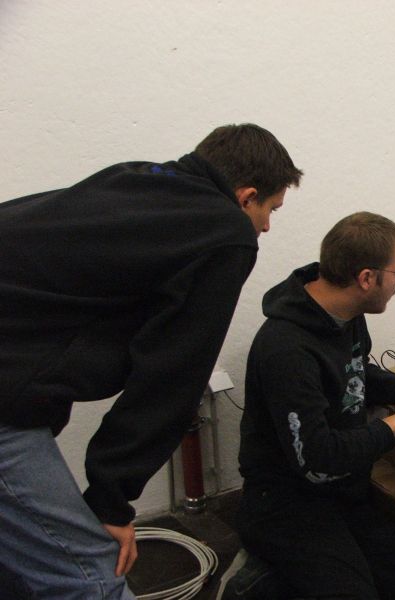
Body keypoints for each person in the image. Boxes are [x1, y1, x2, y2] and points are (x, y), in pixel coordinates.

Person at [0, 123, 303, 599]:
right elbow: (171, 377)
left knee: (22, 563)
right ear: (246, 197)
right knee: (91, 575)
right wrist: (110, 501)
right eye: (271, 210)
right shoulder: (225, 231)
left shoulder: (134, 178)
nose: (266, 226)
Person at [228, 211, 395, 599]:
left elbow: (354, 372)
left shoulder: (346, 315)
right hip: (285, 504)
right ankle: (259, 583)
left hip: (343, 492)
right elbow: (318, 459)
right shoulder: (286, 349)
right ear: (366, 278)